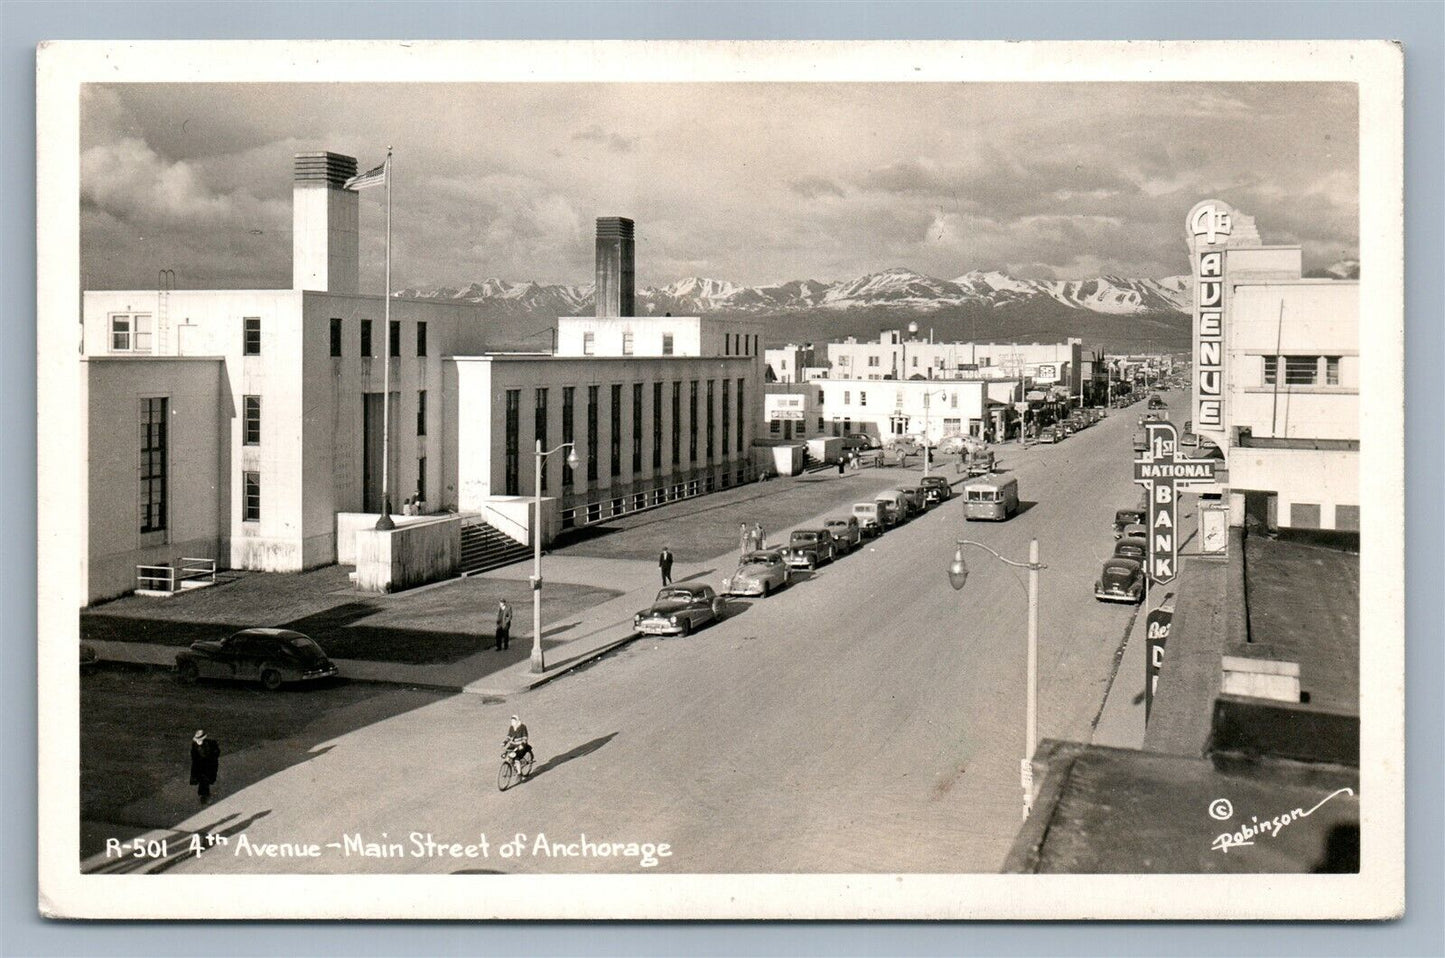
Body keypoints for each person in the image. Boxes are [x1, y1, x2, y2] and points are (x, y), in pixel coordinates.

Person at [190, 729, 220, 804]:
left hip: (208, 765)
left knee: (206, 780)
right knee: (203, 781)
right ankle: (204, 797)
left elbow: (216, 753)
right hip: (200, 766)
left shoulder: (211, 744)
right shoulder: (195, 745)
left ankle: (204, 796)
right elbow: (193, 756)